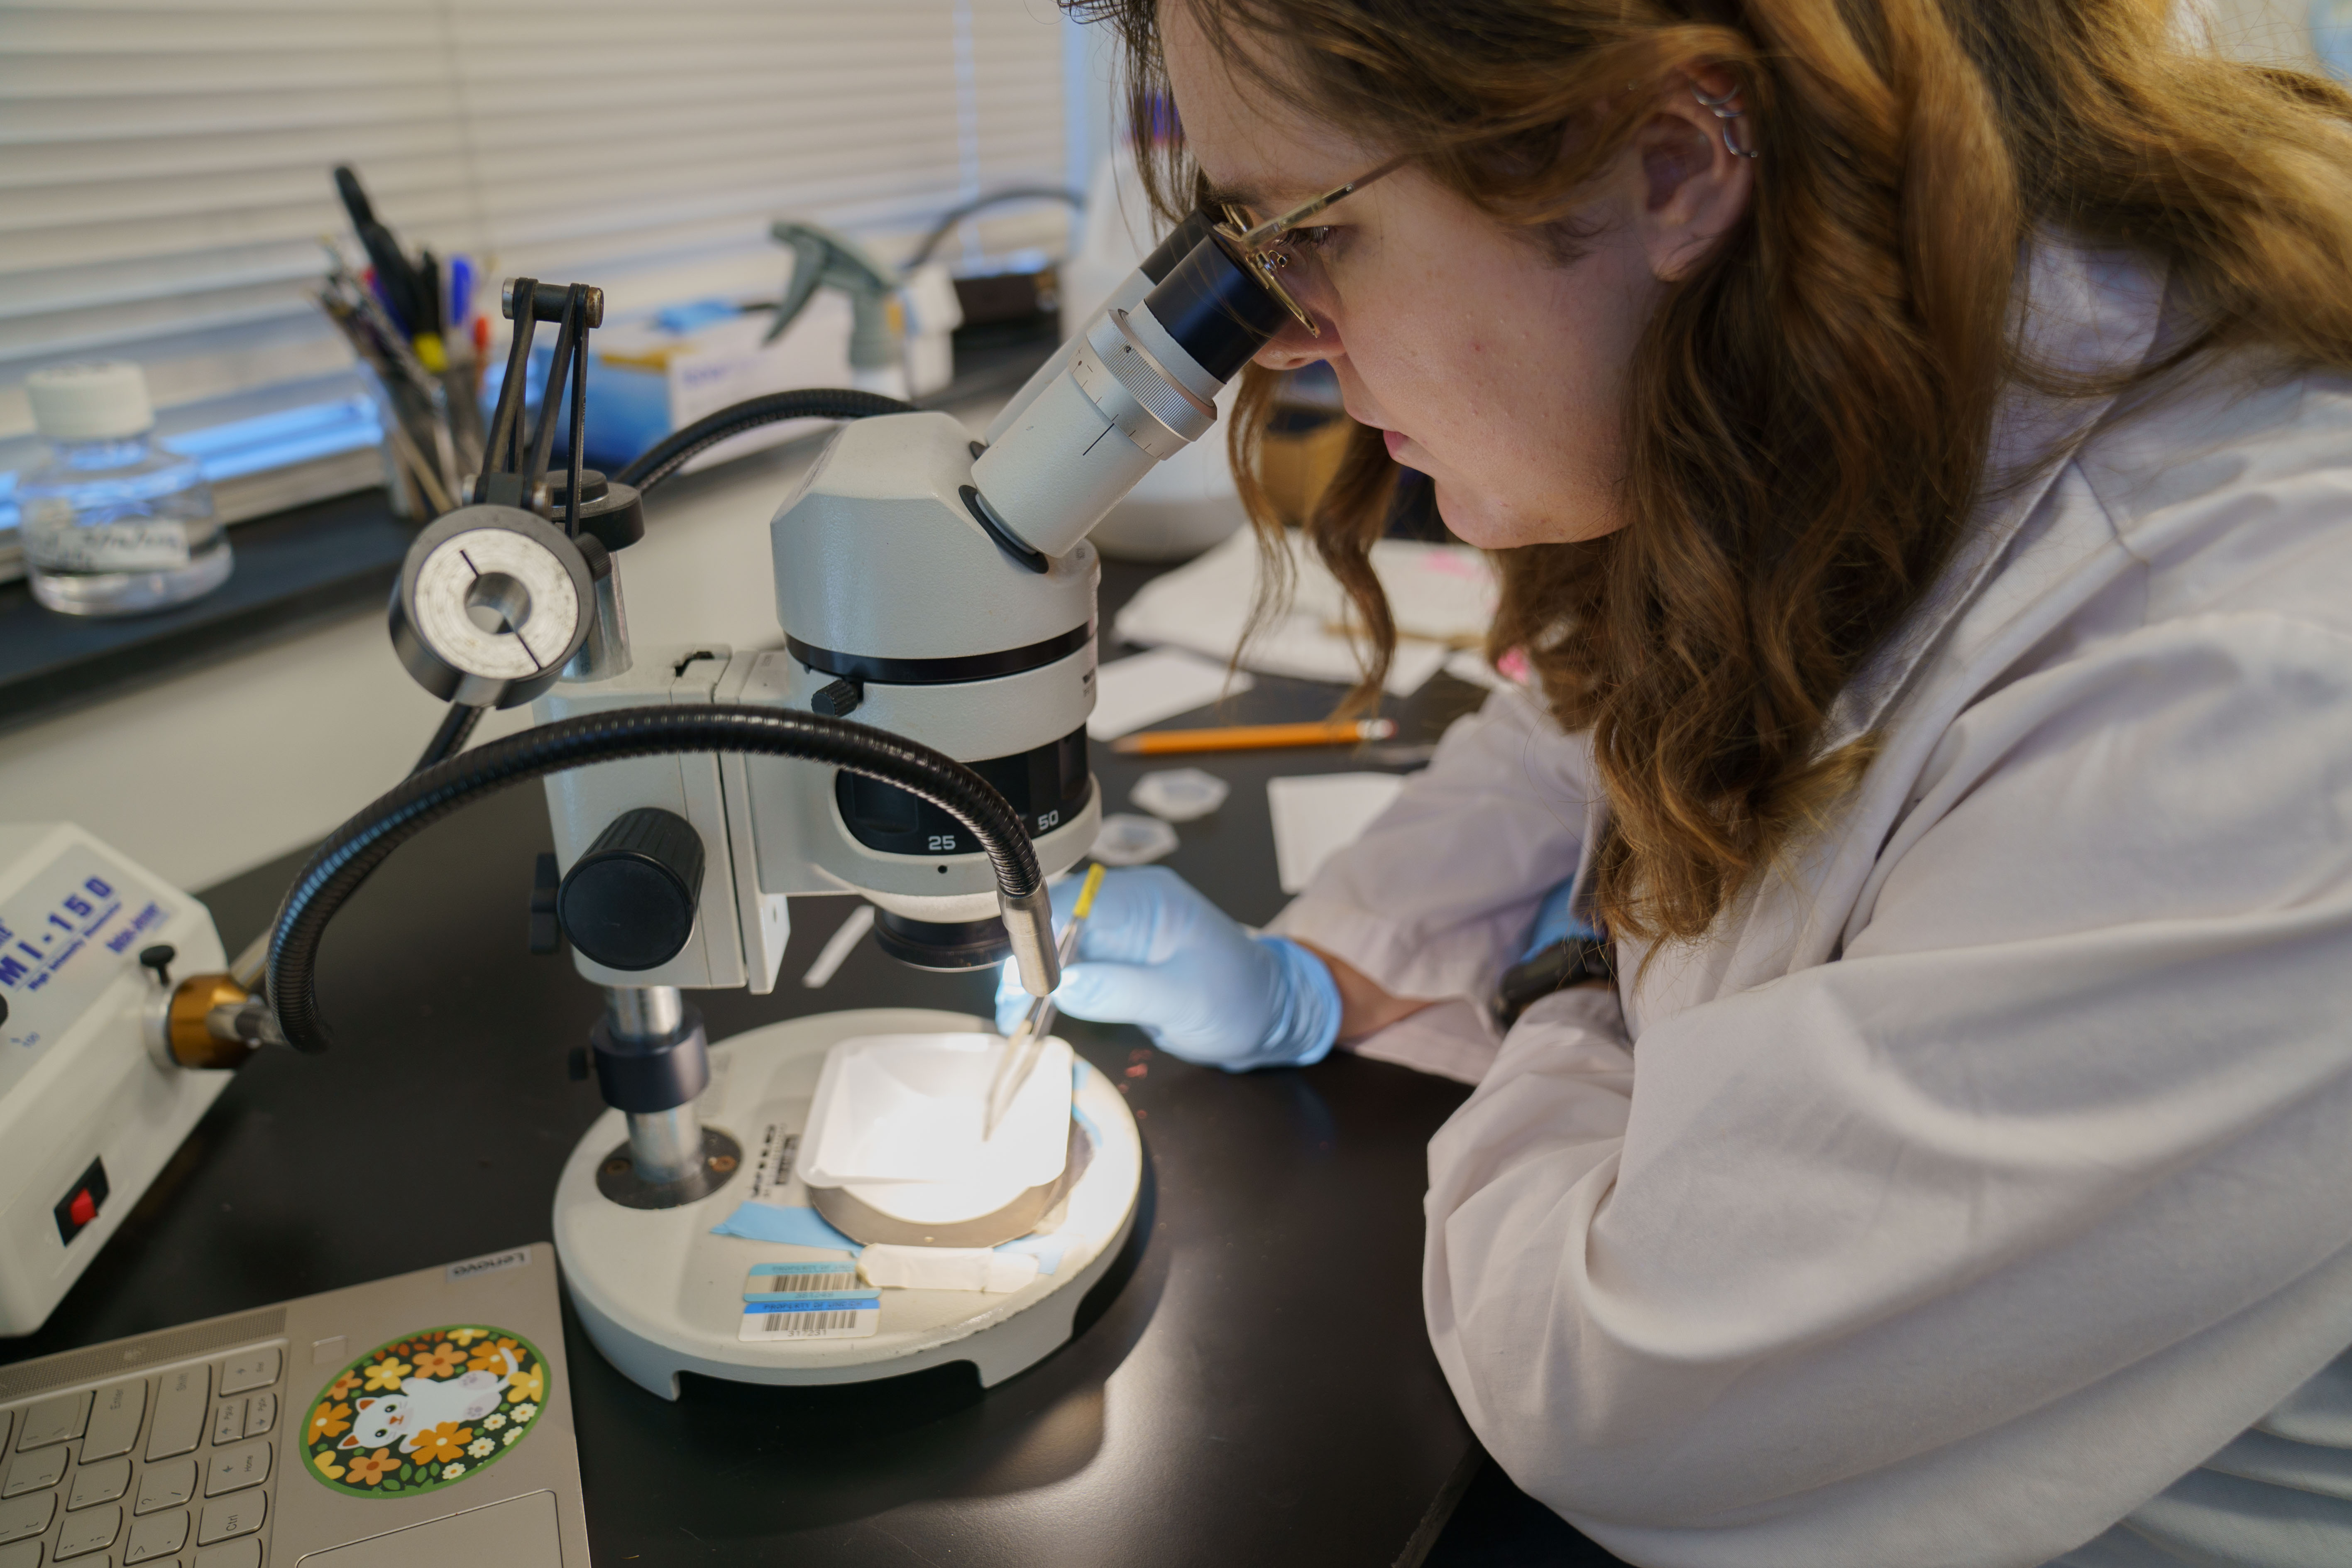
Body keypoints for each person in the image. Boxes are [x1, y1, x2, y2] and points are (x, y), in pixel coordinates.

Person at [1003, 1, 2352, 1563]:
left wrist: (1563, 986)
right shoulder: (1883, 403)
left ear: (1668, 165)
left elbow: (1615, 1399)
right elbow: (1583, 714)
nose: (1283, 341)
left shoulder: (2249, 692)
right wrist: (1328, 966)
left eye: (1304, 236)